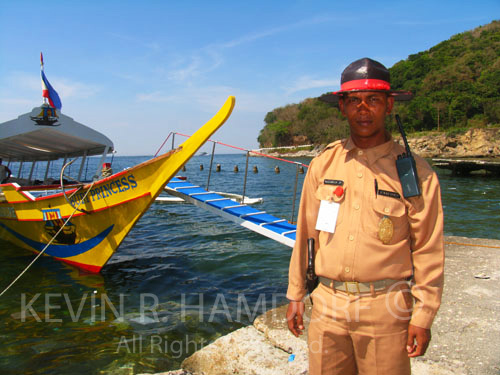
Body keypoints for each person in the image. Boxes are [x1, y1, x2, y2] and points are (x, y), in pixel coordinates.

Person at [286, 58, 444, 375]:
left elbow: (428, 247)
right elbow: (306, 235)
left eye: (373, 100)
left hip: (386, 309)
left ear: (389, 106)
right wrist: (295, 295)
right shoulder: (323, 165)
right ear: (342, 107)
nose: (363, 109)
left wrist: (423, 315)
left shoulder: (415, 173)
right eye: (354, 100)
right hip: (328, 304)